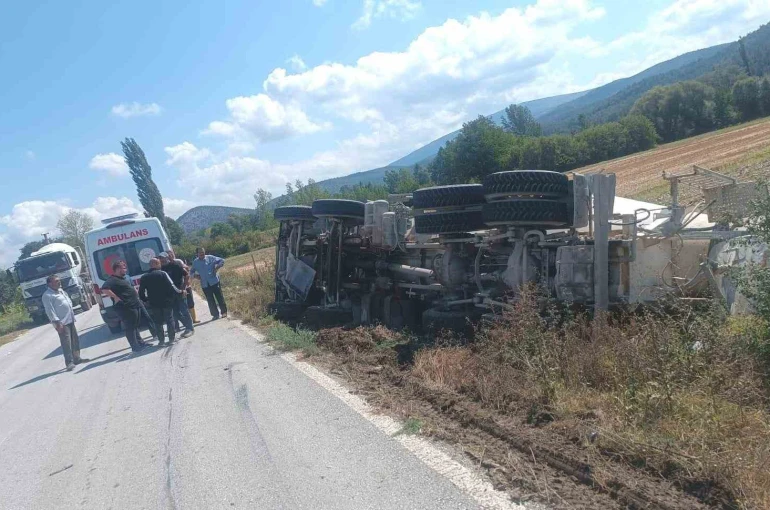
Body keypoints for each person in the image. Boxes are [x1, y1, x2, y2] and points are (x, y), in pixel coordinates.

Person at [42, 275, 89, 371]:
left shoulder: (61, 291)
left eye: (59, 280)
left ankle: (77, 358)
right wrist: (57, 323)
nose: (59, 282)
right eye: (56, 281)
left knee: (75, 340)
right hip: (61, 322)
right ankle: (69, 362)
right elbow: (50, 311)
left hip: (70, 319)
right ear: (50, 283)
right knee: (66, 343)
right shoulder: (47, 295)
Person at [102, 260, 149, 352]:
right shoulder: (112, 280)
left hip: (134, 304)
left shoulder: (123, 278)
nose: (126, 270)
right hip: (125, 307)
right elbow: (104, 289)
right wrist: (115, 297)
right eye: (124, 268)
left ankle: (140, 342)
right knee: (130, 327)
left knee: (135, 325)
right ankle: (135, 347)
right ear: (118, 269)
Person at [139, 258, 185, 346]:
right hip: (166, 302)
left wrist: (146, 300)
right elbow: (172, 286)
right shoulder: (163, 274)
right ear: (156, 264)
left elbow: (141, 292)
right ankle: (171, 339)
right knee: (169, 320)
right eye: (159, 263)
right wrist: (180, 292)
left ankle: (161, 341)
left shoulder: (144, 277)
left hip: (154, 303)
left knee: (158, 322)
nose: (160, 265)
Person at [158, 252, 194, 337]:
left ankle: (190, 328)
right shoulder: (161, 269)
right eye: (160, 258)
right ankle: (187, 327)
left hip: (179, 291)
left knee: (184, 310)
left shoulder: (175, 265)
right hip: (170, 294)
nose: (162, 260)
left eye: (163, 258)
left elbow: (186, 275)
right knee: (175, 313)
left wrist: (184, 288)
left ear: (167, 257)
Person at [190, 247, 227, 320]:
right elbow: (191, 271)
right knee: (210, 300)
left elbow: (222, 260)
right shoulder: (195, 262)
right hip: (205, 284)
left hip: (214, 281)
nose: (202, 254)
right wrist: (195, 276)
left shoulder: (210, 258)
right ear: (197, 254)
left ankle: (224, 312)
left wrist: (217, 267)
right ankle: (215, 314)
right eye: (200, 252)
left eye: (203, 252)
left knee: (219, 297)